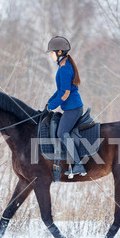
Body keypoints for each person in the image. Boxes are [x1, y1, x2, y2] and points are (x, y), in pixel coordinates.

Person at [46, 36, 87, 176]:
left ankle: (78, 165)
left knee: (62, 133)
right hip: (71, 107)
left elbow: (65, 93)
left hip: (73, 108)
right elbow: (59, 91)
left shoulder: (64, 69)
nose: (51, 55)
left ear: (59, 52)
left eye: (51, 52)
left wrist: (52, 106)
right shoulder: (64, 65)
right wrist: (49, 102)